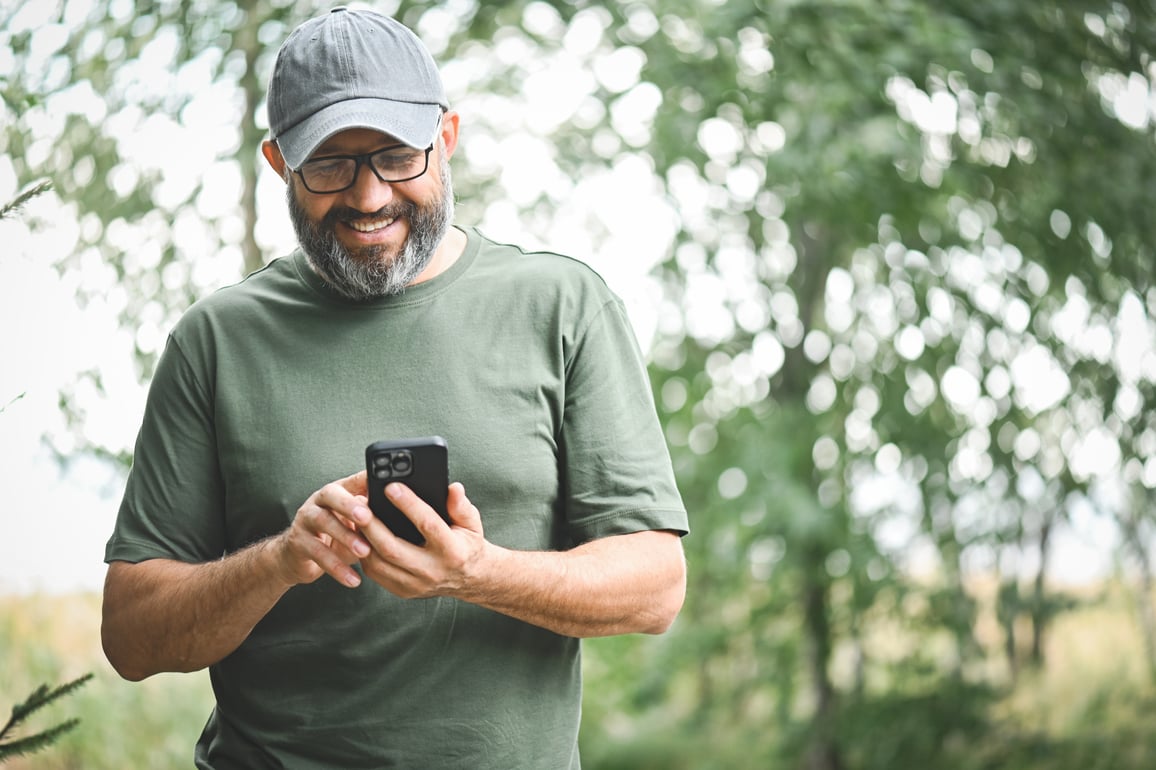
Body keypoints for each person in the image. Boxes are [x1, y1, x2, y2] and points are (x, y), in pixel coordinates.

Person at [100, 7, 688, 769]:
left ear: (445, 139)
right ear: (279, 163)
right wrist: (282, 558)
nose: (370, 196)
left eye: (395, 157)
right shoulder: (215, 340)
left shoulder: (564, 307)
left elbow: (654, 588)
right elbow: (132, 637)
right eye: (330, 165)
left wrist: (478, 572)